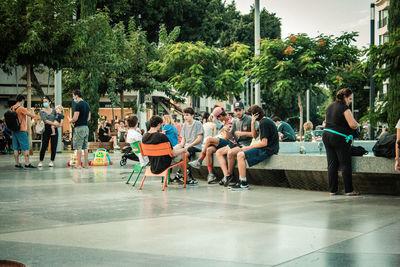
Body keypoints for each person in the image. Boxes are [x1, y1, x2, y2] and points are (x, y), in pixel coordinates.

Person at [231, 105, 279, 190]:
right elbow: (254, 136)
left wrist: (248, 147)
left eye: (251, 115)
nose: (249, 117)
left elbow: (264, 143)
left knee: (240, 155)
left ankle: (243, 183)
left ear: (255, 115)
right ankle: (242, 181)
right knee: (240, 154)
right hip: (268, 148)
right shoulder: (264, 121)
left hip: (268, 150)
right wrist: (252, 123)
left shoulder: (264, 123)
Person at [323, 88, 360, 196]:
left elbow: (326, 121)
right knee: (345, 164)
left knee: (332, 164)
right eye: (350, 99)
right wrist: (358, 124)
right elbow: (352, 124)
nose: (350, 101)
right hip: (339, 137)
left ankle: (332, 190)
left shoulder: (330, 106)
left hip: (326, 135)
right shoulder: (344, 108)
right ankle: (349, 190)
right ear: (344, 97)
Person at [188, 106, 233, 183]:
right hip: (223, 141)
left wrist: (220, 135)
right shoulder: (224, 122)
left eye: (218, 118)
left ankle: (200, 160)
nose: (218, 120)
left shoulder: (231, 121)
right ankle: (211, 174)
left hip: (230, 142)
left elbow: (228, 137)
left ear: (221, 116)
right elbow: (221, 133)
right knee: (208, 150)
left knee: (209, 140)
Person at [216, 102, 255, 186]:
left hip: (246, 144)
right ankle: (226, 175)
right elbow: (229, 136)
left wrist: (242, 133)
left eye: (239, 110)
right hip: (236, 144)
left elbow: (255, 134)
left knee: (230, 152)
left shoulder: (249, 120)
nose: (237, 112)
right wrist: (226, 131)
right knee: (218, 152)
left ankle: (229, 174)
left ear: (243, 110)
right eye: (236, 110)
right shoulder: (235, 121)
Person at [174, 107, 203, 185]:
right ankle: (185, 175)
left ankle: (183, 174)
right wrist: (180, 146)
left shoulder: (198, 124)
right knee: (180, 154)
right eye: (184, 115)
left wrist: (188, 146)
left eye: (187, 115)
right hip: (187, 146)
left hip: (195, 146)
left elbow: (199, 139)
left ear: (192, 115)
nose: (185, 117)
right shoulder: (184, 125)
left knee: (182, 155)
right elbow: (183, 140)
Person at [10, 94, 36, 168]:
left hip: (14, 130)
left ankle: (17, 163)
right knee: (26, 147)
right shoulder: (21, 108)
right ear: (22, 100)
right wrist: (33, 110)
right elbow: (32, 116)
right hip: (21, 130)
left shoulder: (12, 108)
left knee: (15, 148)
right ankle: (27, 163)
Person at [38, 97, 63, 167]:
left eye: (46, 101)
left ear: (49, 102)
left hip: (54, 129)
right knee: (44, 146)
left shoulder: (54, 110)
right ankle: (41, 161)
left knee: (53, 146)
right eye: (44, 102)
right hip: (46, 129)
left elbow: (58, 117)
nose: (45, 103)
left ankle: (52, 161)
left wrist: (58, 124)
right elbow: (45, 120)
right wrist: (54, 124)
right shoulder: (41, 111)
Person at [69, 90, 91, 169]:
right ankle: (85, 164)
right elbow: (89, 118)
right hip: (86, 127)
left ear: (76, 95)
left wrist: (70, 121)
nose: (73, 98)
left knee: (78, 147)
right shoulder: (87, 104)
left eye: (73, 96)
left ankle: (78, 165)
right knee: (85, 147)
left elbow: (75, 118)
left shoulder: (78, 105)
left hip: (79, 128)